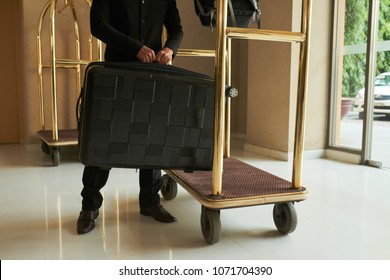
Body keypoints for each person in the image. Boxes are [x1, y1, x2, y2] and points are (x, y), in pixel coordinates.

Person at [77, 0, 184, 234]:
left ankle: (150, 201)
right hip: (115, 72)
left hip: (152, 73)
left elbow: (177, 28)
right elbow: (98, 25)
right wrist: (134, 47)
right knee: (104, 139)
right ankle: (89, 207)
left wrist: (170, 49)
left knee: (152, 136)